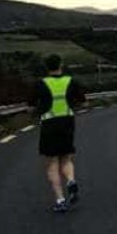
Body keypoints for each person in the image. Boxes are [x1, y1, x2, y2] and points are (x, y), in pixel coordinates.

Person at [32, 54, 86, 213]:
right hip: (67, 123)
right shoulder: (71, 81)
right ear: (61, 64)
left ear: (46, 67)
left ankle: (60, 200)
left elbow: (30, 104)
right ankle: (71, 181)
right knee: (67, 158)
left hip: (49, 124)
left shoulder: (41, 83)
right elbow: (84, 101)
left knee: (52, 163)